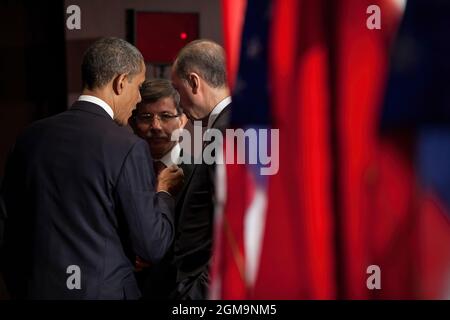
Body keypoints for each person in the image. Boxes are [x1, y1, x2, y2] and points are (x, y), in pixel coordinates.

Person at [0, 37, 183, 299]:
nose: (139, 98)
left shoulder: (30, 137)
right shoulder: (127, 146)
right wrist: (164, 192)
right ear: (121, 82)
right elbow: (152, 245)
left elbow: (8, 229)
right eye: (139, 86)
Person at [169, 39, 232, 299]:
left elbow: (234, 232)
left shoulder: (228, 132)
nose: (178, 101)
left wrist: (195, 295)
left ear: (194, 82)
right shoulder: (224, 127)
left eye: (177, 88)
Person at [128, 78, 194, 299]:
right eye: (146, 117)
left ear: (183, 120)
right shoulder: (122, 172)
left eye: (166, 116)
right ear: (134, 122)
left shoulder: (201, 171)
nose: (155, 126)